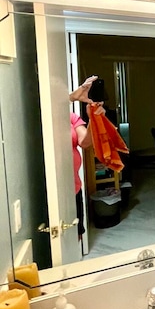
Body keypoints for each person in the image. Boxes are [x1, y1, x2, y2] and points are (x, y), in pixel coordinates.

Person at [70, 76, 105, 240]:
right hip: (57, 190)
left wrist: (93, 118)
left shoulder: (70, 117)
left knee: (75, 237)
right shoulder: (53, 117)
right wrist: (72, 97)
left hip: (74, 188)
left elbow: (85, 142)